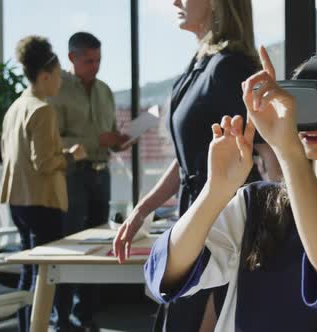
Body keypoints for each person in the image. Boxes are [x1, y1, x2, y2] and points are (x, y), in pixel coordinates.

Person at [144, 47, 317, 331]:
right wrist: (215, 190)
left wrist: (289, 152)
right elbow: (164, 275)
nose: (311, 120)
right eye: (299, 105)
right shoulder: (256, 202)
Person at [113, 0, 279, 331]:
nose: (175, 1)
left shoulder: (231, 68)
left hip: (227, 226)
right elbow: (189, 158)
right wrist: (141, 211)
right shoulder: (202, 65)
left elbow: (268, 149)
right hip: (198, 217)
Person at [0, 35, 86, 332]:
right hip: (44, 201)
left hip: (18, 200)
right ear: (45, 75)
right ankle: (59, 324)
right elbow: (44, 163)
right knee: (52, 272)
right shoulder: (42, 110)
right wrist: (72, 157)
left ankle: (28, 327)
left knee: (29, 270)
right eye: (58, 76)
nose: (60, 83)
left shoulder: (15, 109)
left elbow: (20, 157)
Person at [49, 31, 130, 331]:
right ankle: (62, 319)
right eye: (89, 60)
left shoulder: (105, 91)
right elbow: (54, 139)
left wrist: (119, 141)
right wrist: (98, 138)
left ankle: (85, 317)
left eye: (99, 60)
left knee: (98, 246)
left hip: (101, 174)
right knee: (70, 245)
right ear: (72, 58)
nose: (95, 66)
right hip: (72, 177)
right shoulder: (57, 90)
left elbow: (109, 134)